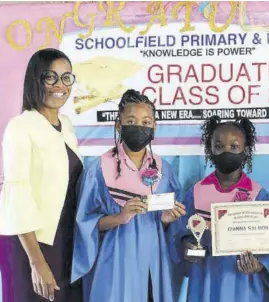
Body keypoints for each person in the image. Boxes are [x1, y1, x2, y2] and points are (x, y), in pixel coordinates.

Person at [71, 89, 186, 302]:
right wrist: (119, 218)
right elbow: (84, 224)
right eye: (131, 120)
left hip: (153, 263)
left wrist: (166, 220)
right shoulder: (99, 169)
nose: (139, 127)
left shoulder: (164, 170)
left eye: (146, 122)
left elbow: (170, 227)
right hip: (114, 263)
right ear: (118, 125)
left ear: (154, 127)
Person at [0, 48, 83, 302]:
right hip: (29, 245)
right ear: (36, 79)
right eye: (51, 77)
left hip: (63, 241)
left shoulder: (66, 125)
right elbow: (18, 193)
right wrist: (37, 262)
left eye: (67, 78)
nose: (60, 85)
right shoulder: (20, 126)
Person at [171, 116, 269, 302]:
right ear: (210, 149)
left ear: (245, 150)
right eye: (219, 146)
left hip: (244, 284)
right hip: (205, 280)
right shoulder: (197, 192)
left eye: (233, 146)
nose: (226, 151)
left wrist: (259, 264)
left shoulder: (258, 195)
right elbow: (180, 234)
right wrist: (187, 248)